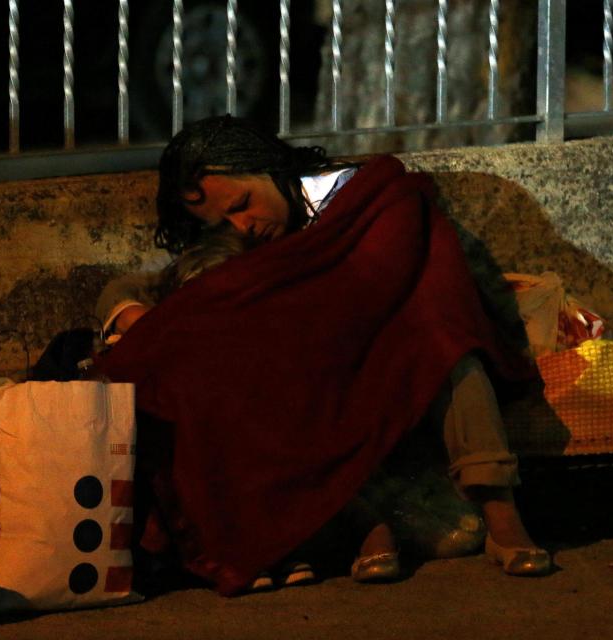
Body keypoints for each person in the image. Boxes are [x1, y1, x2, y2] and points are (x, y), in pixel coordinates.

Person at [95, 115, 550, 596]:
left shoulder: (366, 198)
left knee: (440, 335)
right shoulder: (240, 241)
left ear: (266, 167)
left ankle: (503, 516)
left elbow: (415, 272)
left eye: (243, 205)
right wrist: (130, 314)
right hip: (313, 380)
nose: (242, 227)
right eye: (223, 224)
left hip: (390, 349)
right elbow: (142, 286)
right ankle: (366, 523)